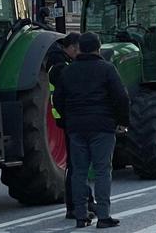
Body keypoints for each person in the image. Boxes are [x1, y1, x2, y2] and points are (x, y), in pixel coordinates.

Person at [55, 32, 130, 229]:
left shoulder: (68, 72)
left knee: (78, 172)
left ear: (79, 48)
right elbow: (121, 97)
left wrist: (68, 118)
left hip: (76, 128)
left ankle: (81, 216)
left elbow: (58, 99)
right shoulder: (106, 69)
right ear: (98, 48)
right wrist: (121, 121)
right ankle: (103, 215)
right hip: (102, 127)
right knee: (102, 170)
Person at [48, 33, 95, 220]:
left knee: (78, 163)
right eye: (80, 50)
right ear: (74, 48)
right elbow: (64, 95)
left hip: (69, 119)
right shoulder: (61, 66)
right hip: (70, 120)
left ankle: (85, 200)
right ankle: (76, 205)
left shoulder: (61, 63)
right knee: (76, 165)